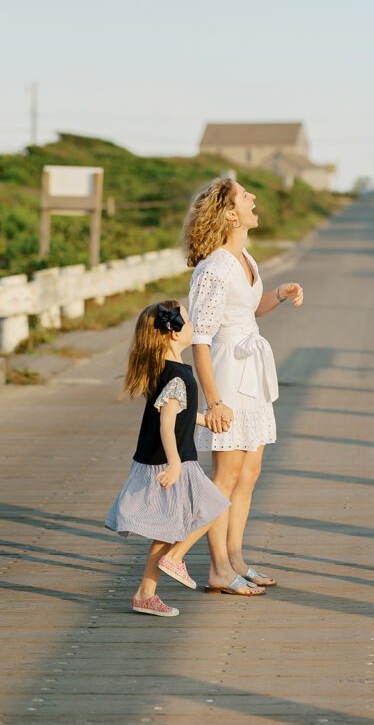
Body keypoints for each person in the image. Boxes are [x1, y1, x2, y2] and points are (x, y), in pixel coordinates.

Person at [184, 177, 304, 596]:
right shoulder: (214, 267)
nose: (254, 198)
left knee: (250, 473)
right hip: (228, 378)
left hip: (253, 374)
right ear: (230, 214)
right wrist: (213, 401)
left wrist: (279, 294)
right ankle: (217, 567)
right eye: (245, 196)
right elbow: (200, 338)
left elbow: (248, 312)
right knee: (227, 475)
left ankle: (235, 558)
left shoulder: (245, 256)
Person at [105, 300, 231, 618]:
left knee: (167, 528)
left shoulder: (166, 370)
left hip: (165, 459)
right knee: (215, 507)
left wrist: (206, 420)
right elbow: (166, 423)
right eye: (188, 321)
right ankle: (176, 557)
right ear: (174, 333)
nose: (193, 326)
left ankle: (145, 593)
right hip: (173, 462)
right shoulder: (177, 376)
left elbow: (178, 415)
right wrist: (175, 463)